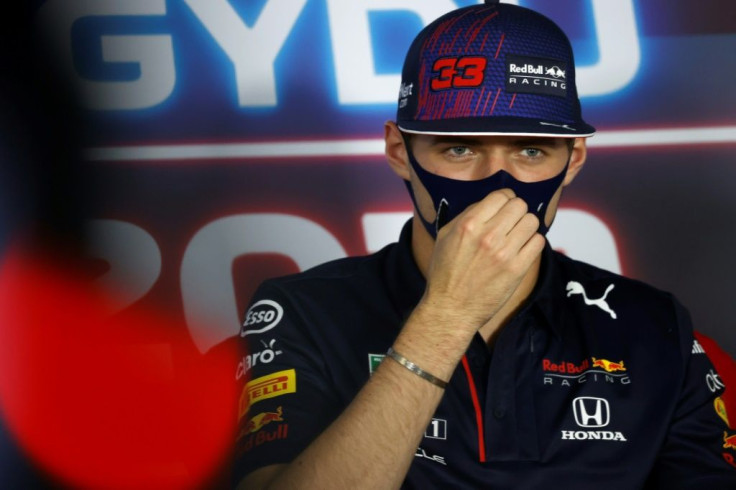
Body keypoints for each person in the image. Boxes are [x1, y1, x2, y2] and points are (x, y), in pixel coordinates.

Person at [233, 2, 736, 488]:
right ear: (398, 151)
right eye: (459, 148)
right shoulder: (303, 311)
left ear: (575, 159)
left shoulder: (654, 326)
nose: (499, 185)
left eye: (531, 150)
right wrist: (445, 317)